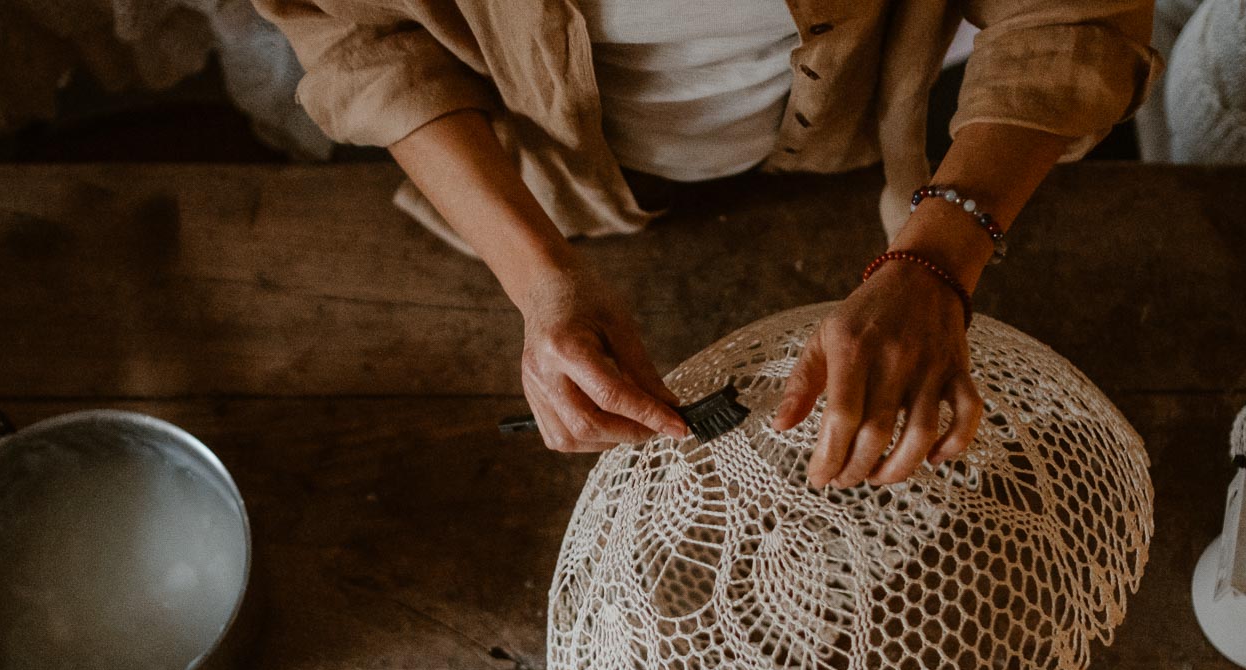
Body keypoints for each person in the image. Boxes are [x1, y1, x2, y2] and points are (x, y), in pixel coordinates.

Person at [256, 0, 1159, 486]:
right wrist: (538, 280)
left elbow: (1071, 20)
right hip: (558, 179)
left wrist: (933, 261)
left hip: (863, 145)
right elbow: (361, 41)